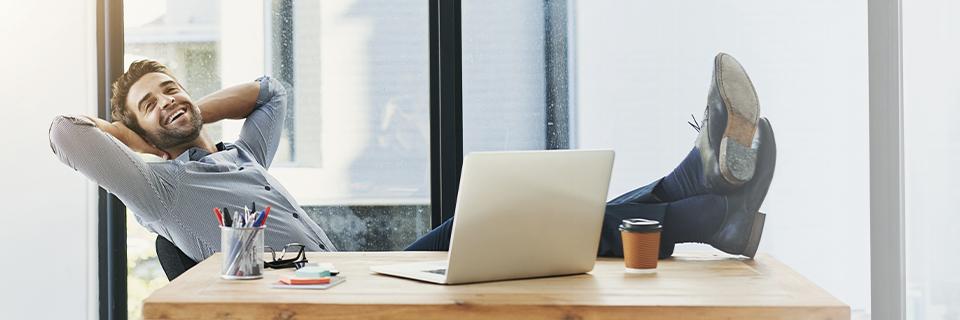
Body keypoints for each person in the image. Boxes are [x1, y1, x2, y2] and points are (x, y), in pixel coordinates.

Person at [49, 53, 774, 271]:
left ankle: (705, 203)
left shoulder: (238, 154)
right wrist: (141, 134)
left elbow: (274, 93)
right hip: (331, 307)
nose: (168, 101)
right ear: (134, 134)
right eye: (149, 103)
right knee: (499, 223)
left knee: (508, 218)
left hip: (360, 283)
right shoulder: (162, 189)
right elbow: (64, 135)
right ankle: (702, 195)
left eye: (171, 86)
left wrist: (189, 111)